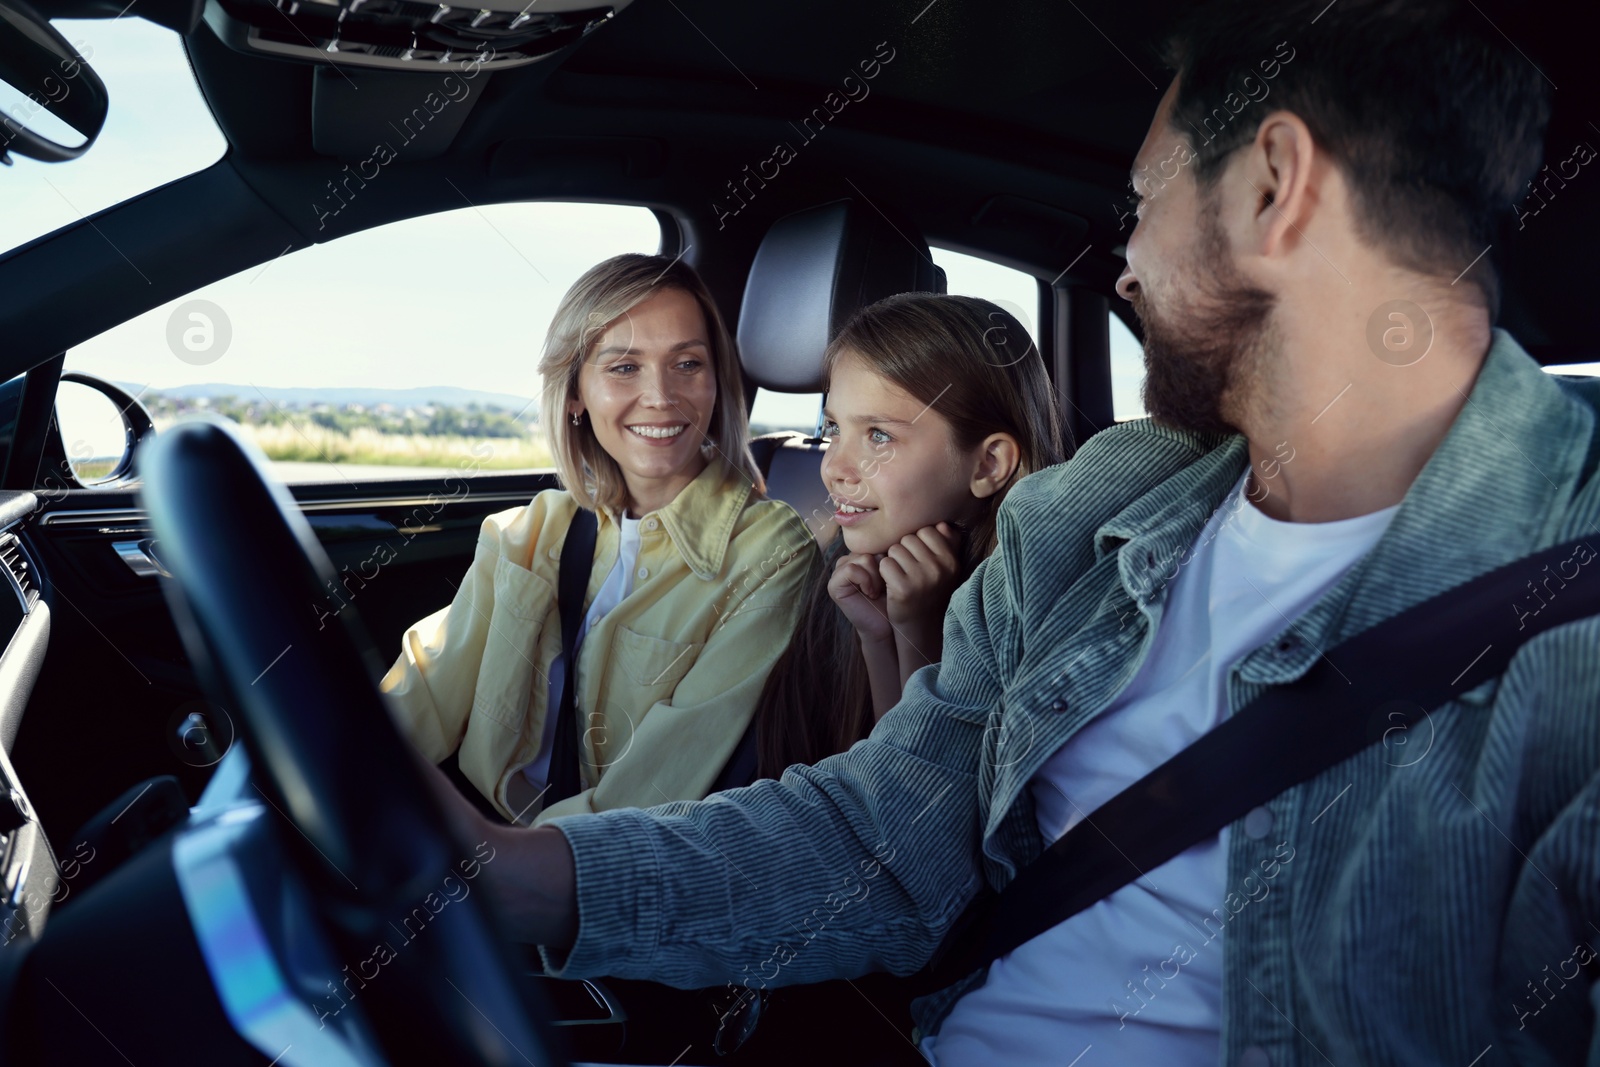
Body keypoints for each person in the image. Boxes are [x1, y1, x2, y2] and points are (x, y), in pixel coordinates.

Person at [420, 2, 1600, 1064]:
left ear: (1273, 187)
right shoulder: (1090, 510)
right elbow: (887, 834)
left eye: (1141, 208)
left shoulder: (1568, 626)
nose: (1125, 266)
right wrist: (522, 875)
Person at [382, 253, 816, 826]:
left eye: (687, 363)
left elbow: (658, 795)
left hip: (598, 873)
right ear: (574, 395)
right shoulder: (530, 532)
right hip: (479, 834)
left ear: (716, 383)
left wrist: (512, 868)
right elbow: (421, 701)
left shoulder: (769, 554)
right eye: (624, 367)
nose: (662, 396)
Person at [756, 293, 1067, 779]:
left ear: (988, 464)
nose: (834, 467)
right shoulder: (844, 578)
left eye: (879, 435)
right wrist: (879, 637)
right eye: (832, 427)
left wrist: (917, 632)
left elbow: (924, 801)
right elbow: (875, 772)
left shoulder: (1027, 612)